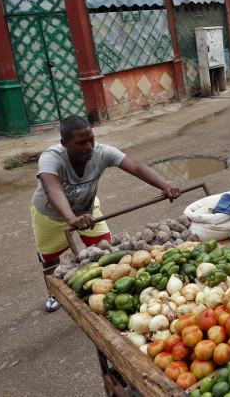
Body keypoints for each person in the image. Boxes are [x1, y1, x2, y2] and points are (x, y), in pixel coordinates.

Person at [33, 115, 181, 312]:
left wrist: (166, 186)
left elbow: (135, 167)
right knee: (49, 260)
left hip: (88, 213)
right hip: (51, 215)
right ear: (64, 143)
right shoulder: (51, 158)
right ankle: (54, 293)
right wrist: (71, 218)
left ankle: (102, 291)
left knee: (107, 251)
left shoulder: (102, 152)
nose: (88, 147)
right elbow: (52, 189)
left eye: (91, 139)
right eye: (81, 143)